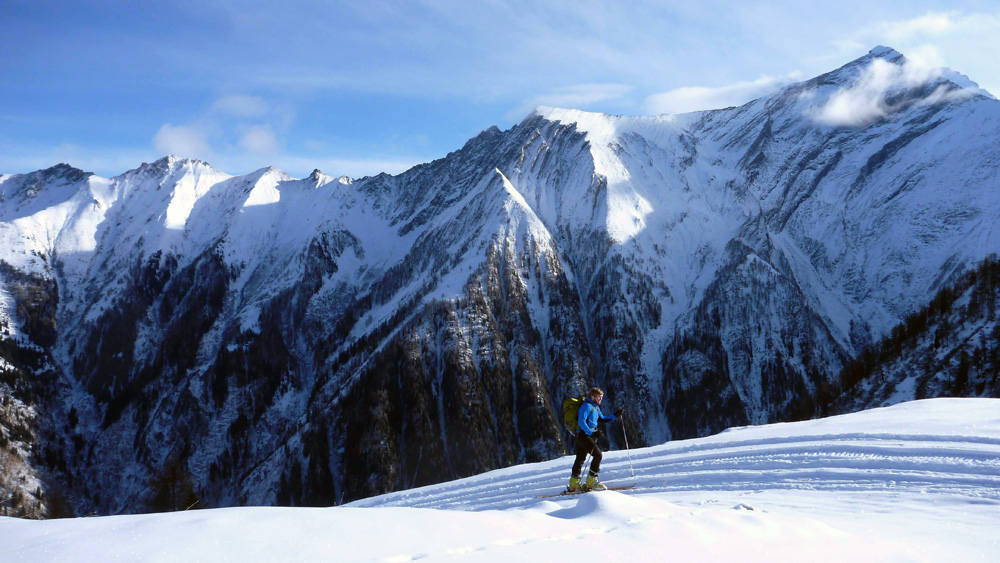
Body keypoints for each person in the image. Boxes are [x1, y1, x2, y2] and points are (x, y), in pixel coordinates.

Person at [568, 387, 623, 491]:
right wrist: (592, 432)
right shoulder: (586, 406)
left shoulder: (595, 407)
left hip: (585, 435)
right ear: (592, 397)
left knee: (580, 458)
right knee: (598, 455)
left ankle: (574, 483)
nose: (600, 400)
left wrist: (615, 415)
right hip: (582, 435)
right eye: (598, 397)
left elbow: (602, 419)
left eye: (601, 398)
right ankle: (591, 481)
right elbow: (581, 422)